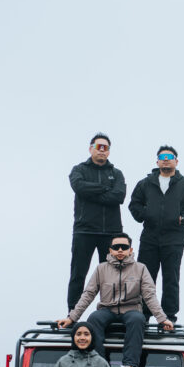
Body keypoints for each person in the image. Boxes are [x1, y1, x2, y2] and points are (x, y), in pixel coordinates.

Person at [57, 233, 174, 367]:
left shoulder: (140, 269)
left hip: (131, 310)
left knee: (138, 319)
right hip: (107, 309)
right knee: (93, 318)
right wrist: (72, 318)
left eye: (124, 247)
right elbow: (88, 294)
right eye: (116, 247)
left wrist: (162, 319)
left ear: (130, 250)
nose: (120, 250)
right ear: (110, 250)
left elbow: (149, 296)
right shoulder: (101, 269)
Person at [128, 145, 184, 323]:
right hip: (149, 239)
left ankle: (169, 317)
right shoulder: (145, 183)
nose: (166, 160)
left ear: (176, 161)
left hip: (174, 239)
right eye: (162, 157)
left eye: (170, 157)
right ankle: (143, 315)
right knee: (146, 279)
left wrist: (183, 218)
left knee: (171, 279)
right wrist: (145, 215)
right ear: (157, 162)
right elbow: (134, 204)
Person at [66, 133, 127, 312]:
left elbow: (119, 196)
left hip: (111, 233)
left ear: (109, 151)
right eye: (98, 147)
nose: (101, 150)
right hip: (84, 231)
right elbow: (79, 187)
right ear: (90, 148)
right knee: (78, 274)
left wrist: (91, 192)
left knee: (112, 277)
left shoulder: (116, 173)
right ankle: (72, 313)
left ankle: (109, 313)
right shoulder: (79, 170)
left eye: (105, 148)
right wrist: (105, 188)